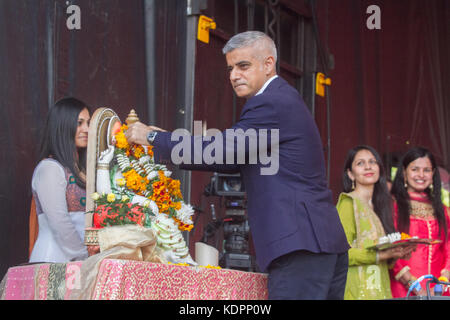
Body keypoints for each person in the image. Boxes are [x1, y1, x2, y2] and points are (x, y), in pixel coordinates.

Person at [124, 31, 350, 299]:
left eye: (243, 66)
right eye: (230, 68)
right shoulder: (282, 99)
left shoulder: (270, 102)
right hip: (317, 244)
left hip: (301, 246)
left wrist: (152, 138)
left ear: (268, 64)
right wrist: (165, 141)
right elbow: (233, 156)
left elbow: (222, 151)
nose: (233, 75)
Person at [336, 145, 414, 299]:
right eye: (360, 163)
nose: (368, 167)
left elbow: (383, 257)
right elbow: (342, 254)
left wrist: (396, 253)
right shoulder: (348, 203)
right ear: (350, 174)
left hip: (381, 289)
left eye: (372, 162)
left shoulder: (380, 206)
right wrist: (380, 255)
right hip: (357, 290)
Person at [29, 97, 91, 263]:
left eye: (88, 123)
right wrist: (84, 257)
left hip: (80, 262)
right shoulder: (50, 168)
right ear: (63, 125)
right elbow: (59, 222)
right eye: (79, 123)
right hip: (54, 258)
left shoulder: (83, 170)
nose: (86, 129)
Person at [390, 146, 450, 297]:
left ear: (433, 174)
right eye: (415, 169)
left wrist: (441, 284)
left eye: (427, 170)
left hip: (438, 289)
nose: (421, 175)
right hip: (404, 288)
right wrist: (414, 286)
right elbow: (391, 249)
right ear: (404, 172)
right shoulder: (393, 206)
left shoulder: (442, 210)